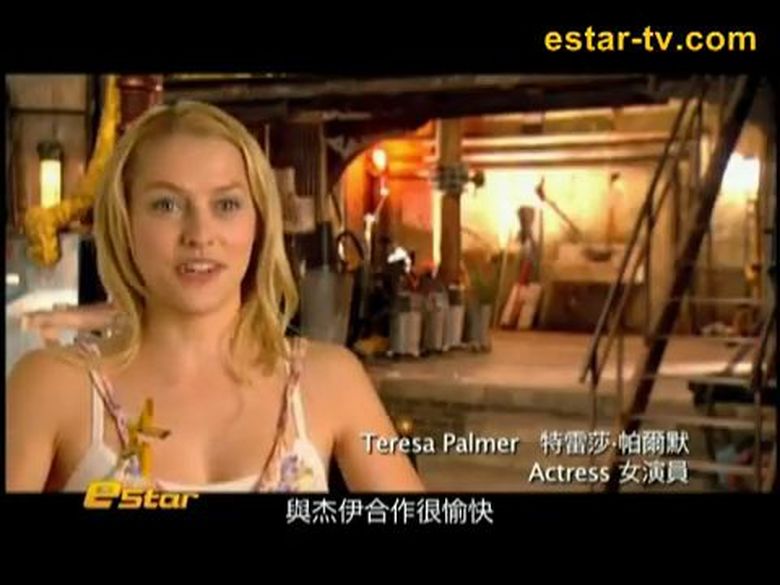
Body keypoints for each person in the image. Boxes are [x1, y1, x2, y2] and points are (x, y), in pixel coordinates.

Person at [6, 101, 424, 493]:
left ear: (259, 223)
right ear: (125, 223)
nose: (200, 235)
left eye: (226, 204)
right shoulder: (51, 386)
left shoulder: (331, 381)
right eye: (166, 204)